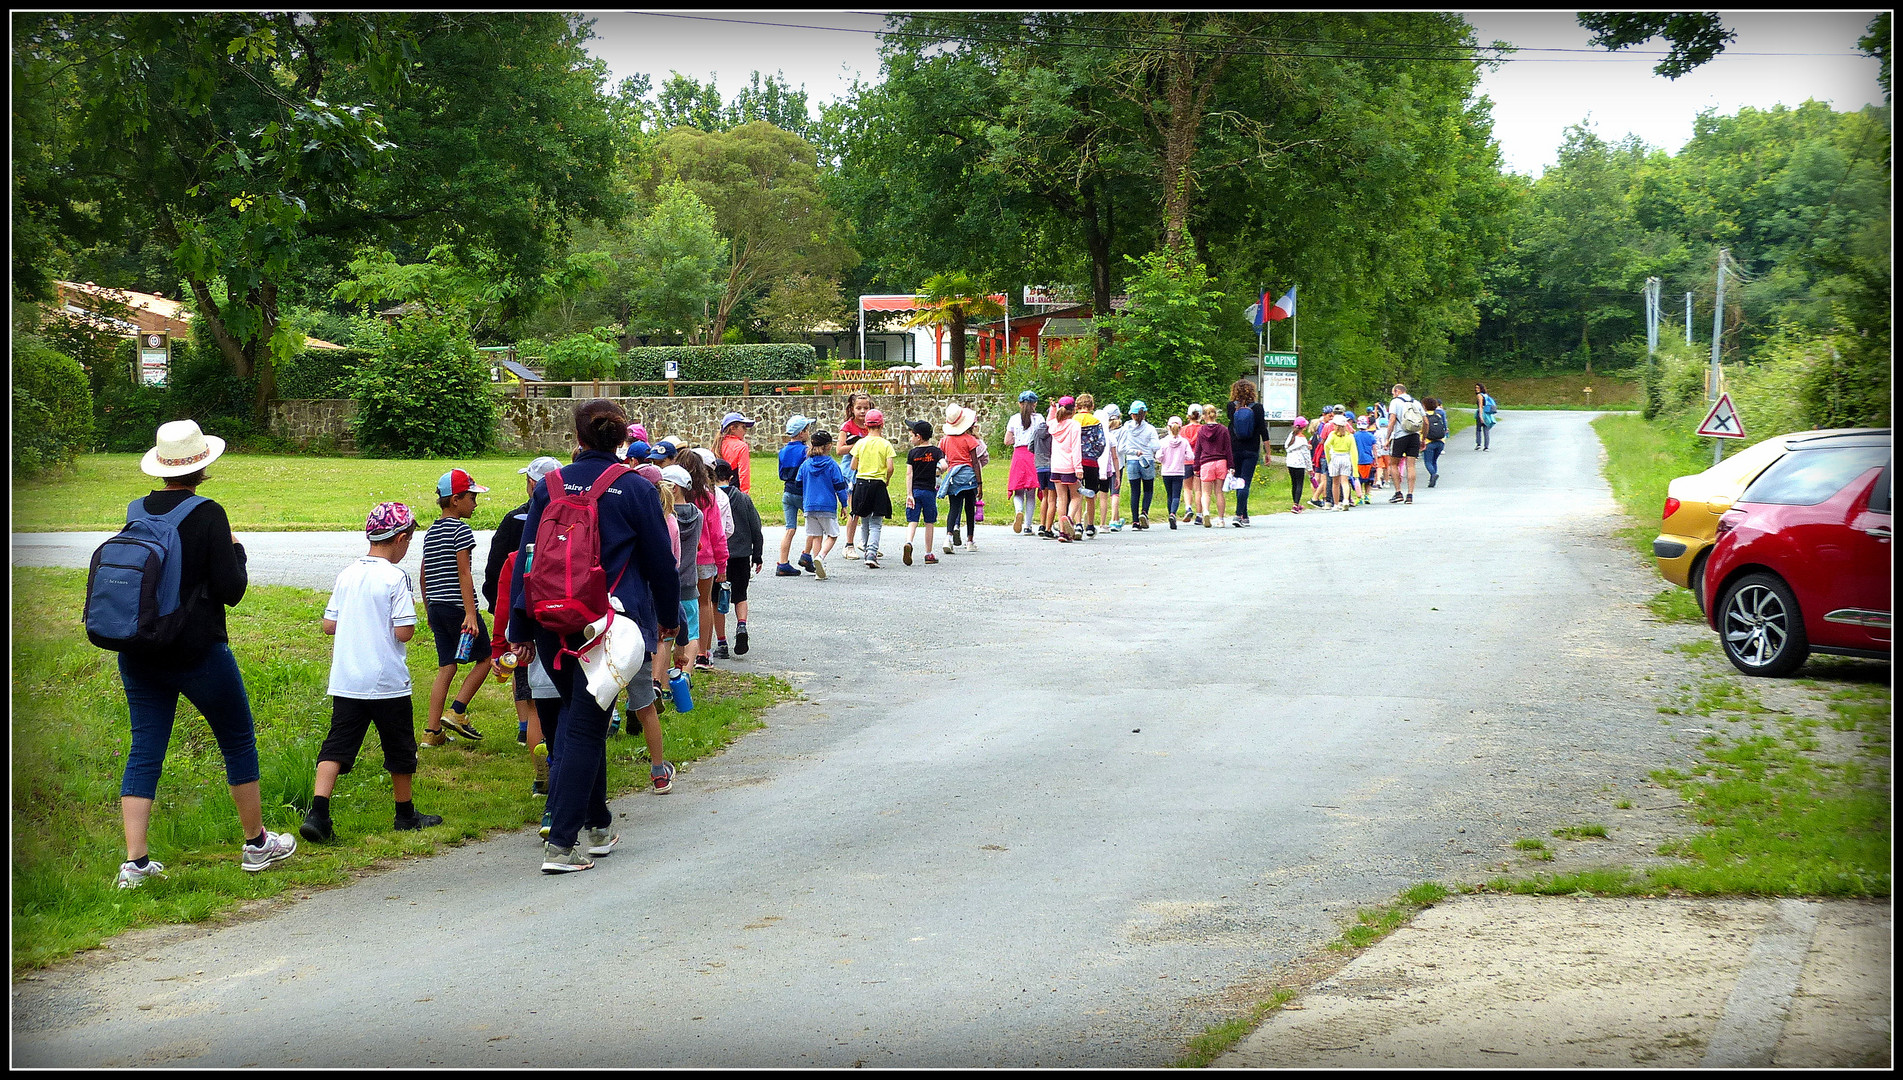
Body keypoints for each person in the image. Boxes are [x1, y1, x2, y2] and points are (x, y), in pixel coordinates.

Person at [109, 420, 295, 888]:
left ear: (161, 468)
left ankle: (135, 864)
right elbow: (232, 590)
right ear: (204, 464)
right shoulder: (209, 513)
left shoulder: (136, 509)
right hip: (197, 651)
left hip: (139, 648)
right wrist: (239, 551)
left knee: (145, 748)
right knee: (236, 738)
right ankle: (256, 845)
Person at [507, 399, 678, 874]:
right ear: (622, 438)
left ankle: (598, 825)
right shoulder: (635, 488)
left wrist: (519, 627)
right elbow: (662, 563)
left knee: (585, 717)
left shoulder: (549, 486)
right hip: (608, 627)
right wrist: (668, 621)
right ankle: (561, 845)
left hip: (549, 623)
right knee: (583, 726)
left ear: (577, 438)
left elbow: (527, 558)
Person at [301, 502, 444, 843]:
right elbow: (404, 631)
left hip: (347, 679)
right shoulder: (395, 577)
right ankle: (405, 813)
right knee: (399, 747)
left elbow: (328, 624)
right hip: (387, 682)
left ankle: (318, 811)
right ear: (402, 538)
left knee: (336, 746)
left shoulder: (347, 574)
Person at [485, 456, 561, 746]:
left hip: (522, 618)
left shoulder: (515, 521)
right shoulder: (573, 517)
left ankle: (530, 744)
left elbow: (498, 574)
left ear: (531, 484)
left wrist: (501, 629)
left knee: (532, 703)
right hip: (561, 620)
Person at [420, 468, 494, 745]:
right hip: (459, 608)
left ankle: (431, 732)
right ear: (455, 500)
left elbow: (424, 572)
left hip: (437, 606)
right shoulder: (461, 530)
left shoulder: (431, 532)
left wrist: (428, 609)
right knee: (486, 657)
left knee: (447, 666)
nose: (475, 503)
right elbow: (464, 573)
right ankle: (457, 711)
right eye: (472, 497)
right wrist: (471, 614)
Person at [677, 451, 729, 667]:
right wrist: (722, 563)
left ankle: (681, 647)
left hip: (680, 557)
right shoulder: (707, 497)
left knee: (682, 603)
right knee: (704, 602)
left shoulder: (675, 496)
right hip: (705, 558)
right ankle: (703, 652)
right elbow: (717, 533)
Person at [711, 459, 763, 657]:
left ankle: (721, 643)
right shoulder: (743, 499)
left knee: (715, 599)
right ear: (731, 478)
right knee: (740, 595)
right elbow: (755, 527)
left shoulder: (710, 498)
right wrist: (757, 554)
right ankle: (741, 625)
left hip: (718, 557)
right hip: (741, 555)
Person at [798, 430, 851, 578]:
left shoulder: (805, 464)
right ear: (828, 446)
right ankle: (820, 557)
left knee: (816, 536)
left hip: (809, 506)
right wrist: (844, 504)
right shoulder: (832, 465)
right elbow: (840, 486)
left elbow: (798, 482)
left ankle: (817, 570)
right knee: (833, 535)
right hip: (827, 505)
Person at [848, 408, 896, 568]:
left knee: (864, 519)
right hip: (878, 484)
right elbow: (890, 467)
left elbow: (853, 465)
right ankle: (872, 552)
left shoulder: (860, 443)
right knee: (876, 522)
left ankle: (866, 545)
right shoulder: (885, 444)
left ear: (866, 426)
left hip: (861, 483)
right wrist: (886, 479)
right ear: (882, 425)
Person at [941, 404, 986, 553]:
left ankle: (948, 537)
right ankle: (970, 540)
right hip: (969, 477)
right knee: (969, 508)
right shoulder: (969, 440)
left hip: (953, 476)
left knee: (954, 507)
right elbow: (975, 462)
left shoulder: (945, 440)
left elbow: (943, 459)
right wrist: (980, 483)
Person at [775, 415, 815, 576]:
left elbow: (781, 474)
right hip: (803, 492)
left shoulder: (783, 451)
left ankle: (783, 562)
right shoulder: (806, 451)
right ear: (801, 433)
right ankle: (806, 554)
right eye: (807, 430)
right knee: (813, 525)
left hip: (787, 491)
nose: (808, 432)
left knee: (790, 528)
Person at [903, 420, 944, 565]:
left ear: (918, 437)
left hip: (915, 491)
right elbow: (945, 465)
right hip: (929, 492)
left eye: (912, 435)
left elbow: (909, 474)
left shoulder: (912, 453)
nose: (910, 438)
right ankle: (928, 553)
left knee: (913, 520)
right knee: (929, 522)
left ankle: (909, 542)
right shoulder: (936, 451)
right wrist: (938, 471)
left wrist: (909, 494)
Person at [1226, 379, 1267, 527]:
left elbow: (1231, 428)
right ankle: (1238, 515)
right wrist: (1267, 452)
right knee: (1245, 482)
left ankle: (1244, 515)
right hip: (1251, 449)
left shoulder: (1231, 407)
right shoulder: (1258, 408)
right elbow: (1263, 429)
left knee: (1238, 481)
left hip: (1234, 448)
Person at [1004, 390, 1045, 535]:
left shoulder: (1014, 419)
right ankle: (1027, 526)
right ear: (1035, 404)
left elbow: (1007, 441)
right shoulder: (1039, 419)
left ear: (1019, 404)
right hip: (1033, 455)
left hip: (1019, 455)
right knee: (1031, 492)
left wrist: (1019, 439)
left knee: (1018, 489)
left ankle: (1018, 511)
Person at [839, 392, 873, 557]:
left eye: (865, 408)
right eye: (858, 408)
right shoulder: (847, 427)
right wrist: (859, 444)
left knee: (869, 508)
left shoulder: (872, 425)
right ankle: (848, 544)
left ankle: (866, 542)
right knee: (855, 509)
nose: (862, 411)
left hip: (869, 468)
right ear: (851, 409)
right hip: (852, 471)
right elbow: (839, 450)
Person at [1046, 396, 1083, 541]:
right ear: (1073, 410)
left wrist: (1052, 409)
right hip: (1070, 466)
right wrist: (1078, 467)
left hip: (1056, 466)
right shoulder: (1074, 425)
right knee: (1076, 495)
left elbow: (1049, 420)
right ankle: (1069, 518)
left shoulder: (1054, 425)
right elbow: (1075, 448)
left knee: (1061, 498)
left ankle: (1063, 532)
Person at [1194, 402, 1235, 527]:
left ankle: (1206, 512)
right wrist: (1231, 466)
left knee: (1205, 492)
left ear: (1204, 416)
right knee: (1219, 492)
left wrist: (1196, 467)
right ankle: (1221, 519)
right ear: (1215, 415)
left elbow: (1198, 450)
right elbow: (1228, 449)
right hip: (1221, 462)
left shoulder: (1201, 430)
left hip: (1206, 463)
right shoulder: (1223, 429)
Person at [1122, 402, 1159, 529]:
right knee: (1148, 489)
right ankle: (1144, 512)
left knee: (1135, 491)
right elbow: (1156, 446)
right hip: (1147, 460)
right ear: (1145, 413)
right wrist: (1148, 448)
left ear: (1132, 414)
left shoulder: (1126, 427)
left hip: (1132, 460)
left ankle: (1134, 521)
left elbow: (1122, 445)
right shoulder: (1150, 429)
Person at [1385, 382, 1423, 504]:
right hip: (1414, 435)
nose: (1393, 396)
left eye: (1393, 393)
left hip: (1400, 436)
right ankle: (1410, 494)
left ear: (1398, 391)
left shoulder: (1395, 402)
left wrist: (1387, 437)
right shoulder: (1416, 402)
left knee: (1393, 464)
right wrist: (1423, 438)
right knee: (1411, 465)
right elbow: (1425, 421)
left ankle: (1398, 492)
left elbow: (1391, 421)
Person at [1074, 393, 1104, 537]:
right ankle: (1090, 525)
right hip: (1091, 461)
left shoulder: (1073, 420)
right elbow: (1101, 442)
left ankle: (1078, 524)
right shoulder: (1095, 421)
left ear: (1077, 406)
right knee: (1091, 494)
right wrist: (1095, 454)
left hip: (1075, 462)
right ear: (1092, 406)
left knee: (1076, 493)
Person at [1157, 415, 1193, 529]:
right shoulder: (1184, 442)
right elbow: (1190, 456)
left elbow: (1158, 456)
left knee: (1169, 495)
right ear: (1180, 428)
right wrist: (1182, 457)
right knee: (1176, 495)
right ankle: (1173, 514)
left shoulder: (1163, 441)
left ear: (1168, 427)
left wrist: (1163, 460)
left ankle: (1170, 515)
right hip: (1179, 471)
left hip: (1166, 471)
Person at [1030, 393, 1057, 537]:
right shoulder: (1055, 430)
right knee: (1053, 498)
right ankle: (1048, 528)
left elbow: (1030, 447)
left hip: (1040, 466)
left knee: (1044, 496)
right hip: (1053, 465)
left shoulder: (1037, 429)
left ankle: (1041, 525)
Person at [716, 411, 756, 493]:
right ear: (733, 428)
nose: (745, 431)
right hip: (734, 490)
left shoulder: (717, 445)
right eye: (743, 427)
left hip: (717, 491)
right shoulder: (741, 447)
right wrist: (745, 494)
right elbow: (744, 474)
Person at [1325, 413, 1358, 511]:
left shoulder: (1332, 435)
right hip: (1346, 458)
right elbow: (1354, 451)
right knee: (1345, 481)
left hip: (1335, 457)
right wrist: (1354, 465)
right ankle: (1346, 500)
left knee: (1335, 482)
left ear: (1336, 426)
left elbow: (1326, 445)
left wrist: (1328, 459)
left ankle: (1336, 504)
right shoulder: (1349, 436)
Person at [1100, 403, 1125, 530]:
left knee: (1103, 493)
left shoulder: (1102, 430)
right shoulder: (1122, 429)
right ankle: (1114, 519)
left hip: (1103, 465)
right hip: (1117, 464)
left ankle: (1112, 519)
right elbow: (1121, 449)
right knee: (1115, 493)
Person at [1283, 417, 1311, 514]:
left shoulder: (1291, 435)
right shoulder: (1302, 439)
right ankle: (1296, 504)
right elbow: (1306, 455)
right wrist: (1310, 468)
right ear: (1304, 427)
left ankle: (1295, 503)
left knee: (1294, 483)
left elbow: (1286, 446)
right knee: (1299, 483)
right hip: (1299, 463)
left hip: (1290, 462)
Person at [1421, 396, 1449, 487]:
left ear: (1424, 406)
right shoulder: (1438, 415)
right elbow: (1445, 427)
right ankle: (1432, 479)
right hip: (1440, 441)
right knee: (1434, 461)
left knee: (1428, 462)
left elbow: (1421, 429)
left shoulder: (1424, 417)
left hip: (1429, 442)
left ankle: (1433, 475)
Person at [1353, 418, 1378, 506]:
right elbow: (1374, 449)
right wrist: (1376, 460)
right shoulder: (1371, 436)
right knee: (1369, 480)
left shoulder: (1355, 436)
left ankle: (1359, 497)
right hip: (1369, 460)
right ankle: (1367, 495)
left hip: (1357, 461)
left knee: (1358, 480)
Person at [1475, 382, 1498, 450]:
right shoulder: (1486, 395)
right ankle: (1486, 446)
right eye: (1475, 388)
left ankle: (1478, 444)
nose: (1476, 389)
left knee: (1478, 429)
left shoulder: (1479, 395)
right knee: (1486, 430)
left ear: (1480, 388)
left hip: (1482, 413)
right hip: (1488, 414)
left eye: (1477, 388)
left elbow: (1480, 406)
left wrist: (1480, 416)